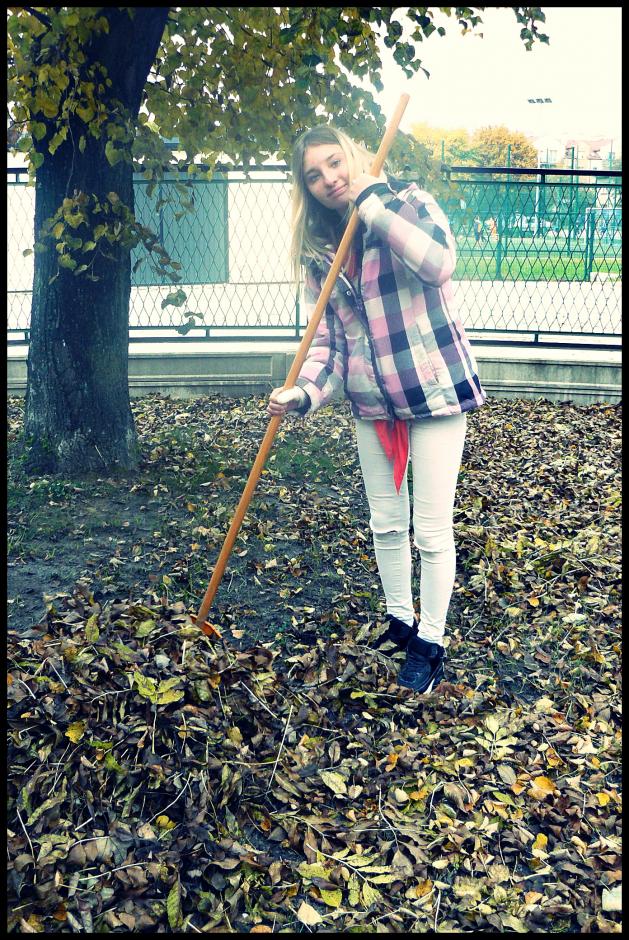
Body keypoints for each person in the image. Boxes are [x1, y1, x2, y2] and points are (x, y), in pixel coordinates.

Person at [267, 125, 486, 694]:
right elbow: (330, 344)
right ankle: (400, 620)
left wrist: (373, 206)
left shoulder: (408, 203)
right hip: (372, 404)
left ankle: (430, 643)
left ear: (353, 156)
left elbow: (438, 263)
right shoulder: (321, 253)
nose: (328, 179)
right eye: (313, 175)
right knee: (386, 523)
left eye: (334, 163)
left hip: (433, 394)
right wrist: (304, 392)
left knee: (430, 531)